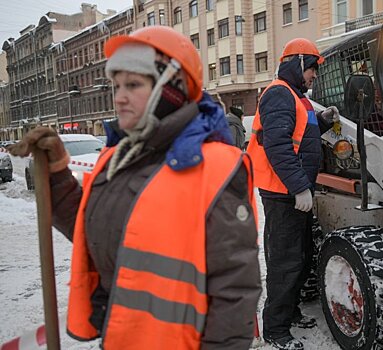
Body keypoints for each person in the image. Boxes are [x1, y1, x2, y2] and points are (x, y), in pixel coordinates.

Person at [8, 26, 261, 350]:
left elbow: (234, 289)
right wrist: (57, 174)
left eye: (133, 84)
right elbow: (92, 231)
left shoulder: (215, 167)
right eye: (116, 85)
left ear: (173, 89)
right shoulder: (116, 158)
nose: (119, 96)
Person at [246, 38, 339, 350]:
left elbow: (302, 139)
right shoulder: (278, 94)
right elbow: (278, 146)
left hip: (294, 191)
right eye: (312, 69)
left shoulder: (298, 99)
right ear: (298, 64)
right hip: (281, 192)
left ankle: (291, 311)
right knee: (284, 262)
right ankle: (275, 328)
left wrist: (323, 122)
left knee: (300, 258)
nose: (314, 75)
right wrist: (299, 187)